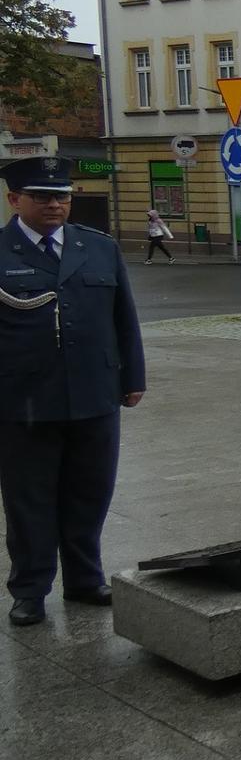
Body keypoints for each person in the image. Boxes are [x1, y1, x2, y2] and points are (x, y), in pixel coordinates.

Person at [0, 157, 146, 627]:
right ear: (13, 200)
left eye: (61, 195)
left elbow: (124, 317)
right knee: (29, 501)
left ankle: (85, 579)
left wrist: (133, 378)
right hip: (23, 401)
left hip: (94, 394)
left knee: (90, 493)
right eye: (42, 196)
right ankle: (30, 590)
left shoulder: (99, 248)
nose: (55, 204)